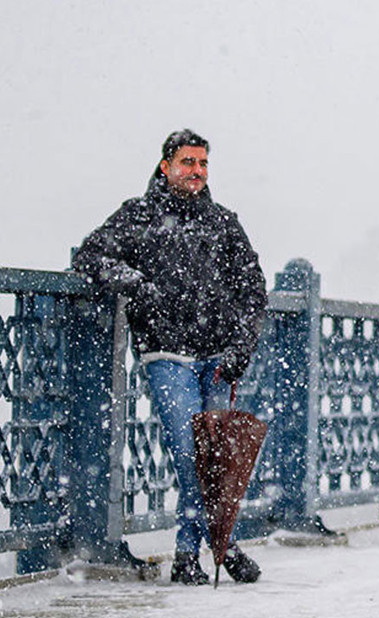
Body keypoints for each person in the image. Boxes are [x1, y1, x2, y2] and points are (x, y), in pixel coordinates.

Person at [73, 129, 268, 585]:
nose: (196, 172)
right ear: (166, 166)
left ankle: (192, 554)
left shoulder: (223, 222)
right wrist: (138, 285)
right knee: (190, 455)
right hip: (167, 354)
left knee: (216, 460)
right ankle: (219, 546)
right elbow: (90, 256)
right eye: (187, 163)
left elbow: (252, 288)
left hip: (218, 357)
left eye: (203, 164)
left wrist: (242, 345)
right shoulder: (138, 216)